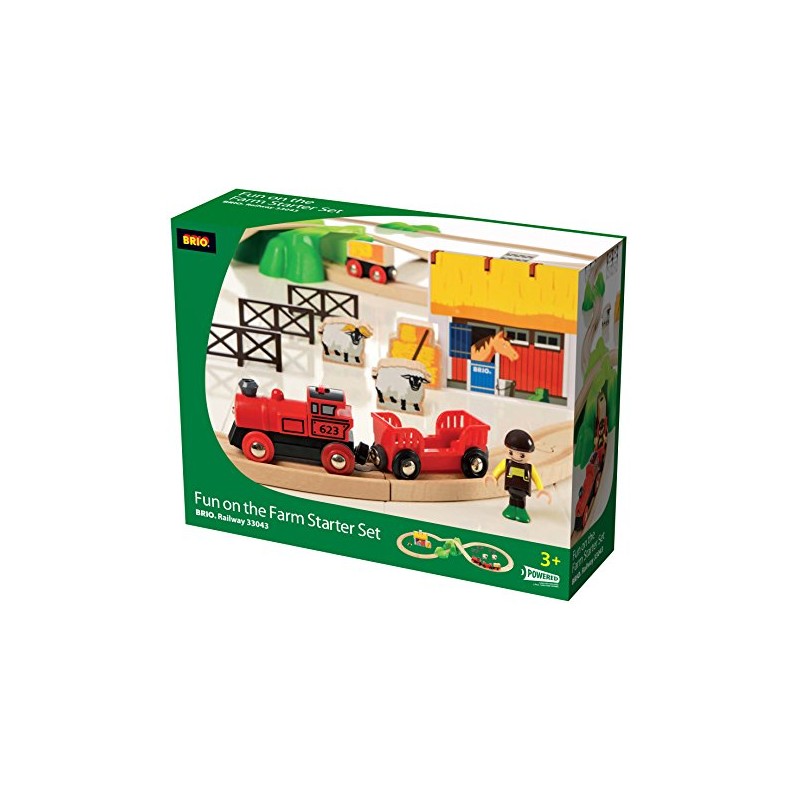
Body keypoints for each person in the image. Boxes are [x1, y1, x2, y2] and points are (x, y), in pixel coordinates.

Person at [488, 429, 551, 523]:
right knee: (512, 498)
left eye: (522, 455)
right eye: (511, 452)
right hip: (511, 487)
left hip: (522, 490)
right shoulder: (507, 463)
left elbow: (536, 478)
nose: (516, 456)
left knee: (520, 500)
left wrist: (541, 488)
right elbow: (498, 470)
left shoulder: (529, 467)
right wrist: (493, 477)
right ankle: (511, 508)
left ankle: (521, 511)